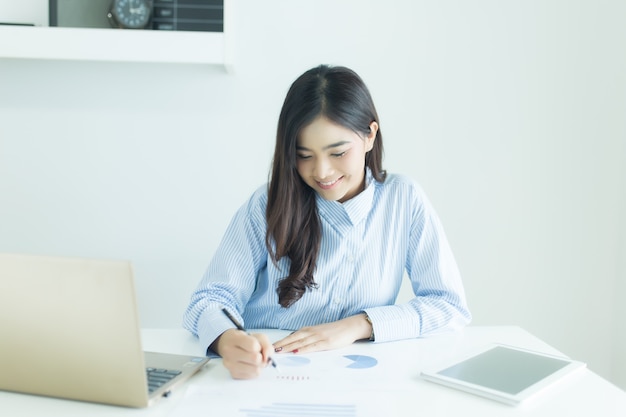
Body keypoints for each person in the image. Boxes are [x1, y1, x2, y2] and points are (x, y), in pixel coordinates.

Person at [183, 64, 471, 380]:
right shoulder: (267, 204)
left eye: (337, 152)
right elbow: (208, 301)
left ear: (370, 136)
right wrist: (229, 340)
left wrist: (359, 325)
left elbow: (448, 306)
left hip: (361, 377)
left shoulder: (404, 200)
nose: (321, 172)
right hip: (269, 372)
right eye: (304, 155)